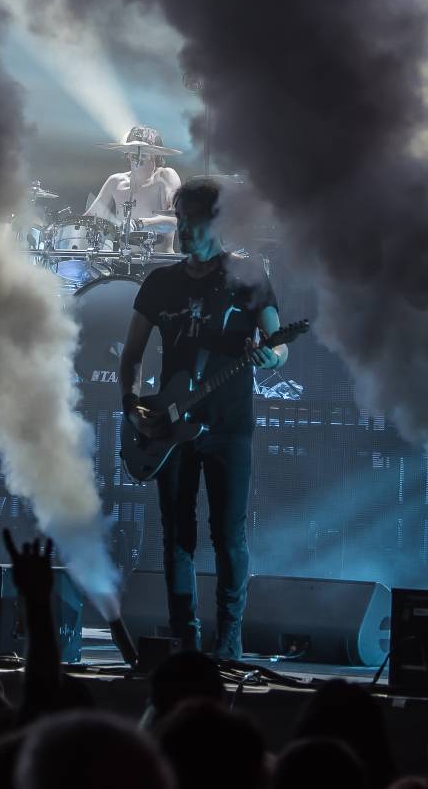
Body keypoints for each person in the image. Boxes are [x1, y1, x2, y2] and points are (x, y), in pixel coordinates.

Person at [119, 177, 285, 660]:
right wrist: (133, 406)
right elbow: (131, 356)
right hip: (171, 427)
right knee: (177, 535)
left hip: (229, 426)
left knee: (228, 535)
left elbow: (279, 347)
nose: (183, 229)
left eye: (192, 220)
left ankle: (229, 640)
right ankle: (184, 640)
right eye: (179, 219)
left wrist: (270, 358)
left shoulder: (248, 275)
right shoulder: (159, 283)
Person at [85, 126, 183, 251]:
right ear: (127, 152)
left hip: (160, 263)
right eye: (133, 149)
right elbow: (90, 219)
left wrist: (139, 224)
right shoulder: (115, 182)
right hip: (124, 265)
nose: (138, 154)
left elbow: (179, 219)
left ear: (155, 153)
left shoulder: (166, 176)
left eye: (145, 150)